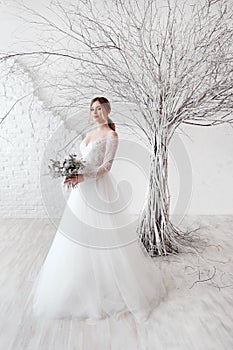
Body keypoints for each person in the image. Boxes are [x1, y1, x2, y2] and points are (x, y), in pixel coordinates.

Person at [30, 96, 168, 349]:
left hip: (99, 191)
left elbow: (106, 167)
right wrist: (72, 173)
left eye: (99, 109)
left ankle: (111, 285)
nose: (95, 113)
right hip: (82, 192)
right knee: (77, 239)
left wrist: (83, 176)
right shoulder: (90, 133)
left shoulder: (111, 136)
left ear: (107, 110)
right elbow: (84, 160)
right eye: (92, 110)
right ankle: (79, 283)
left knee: (104, 239)